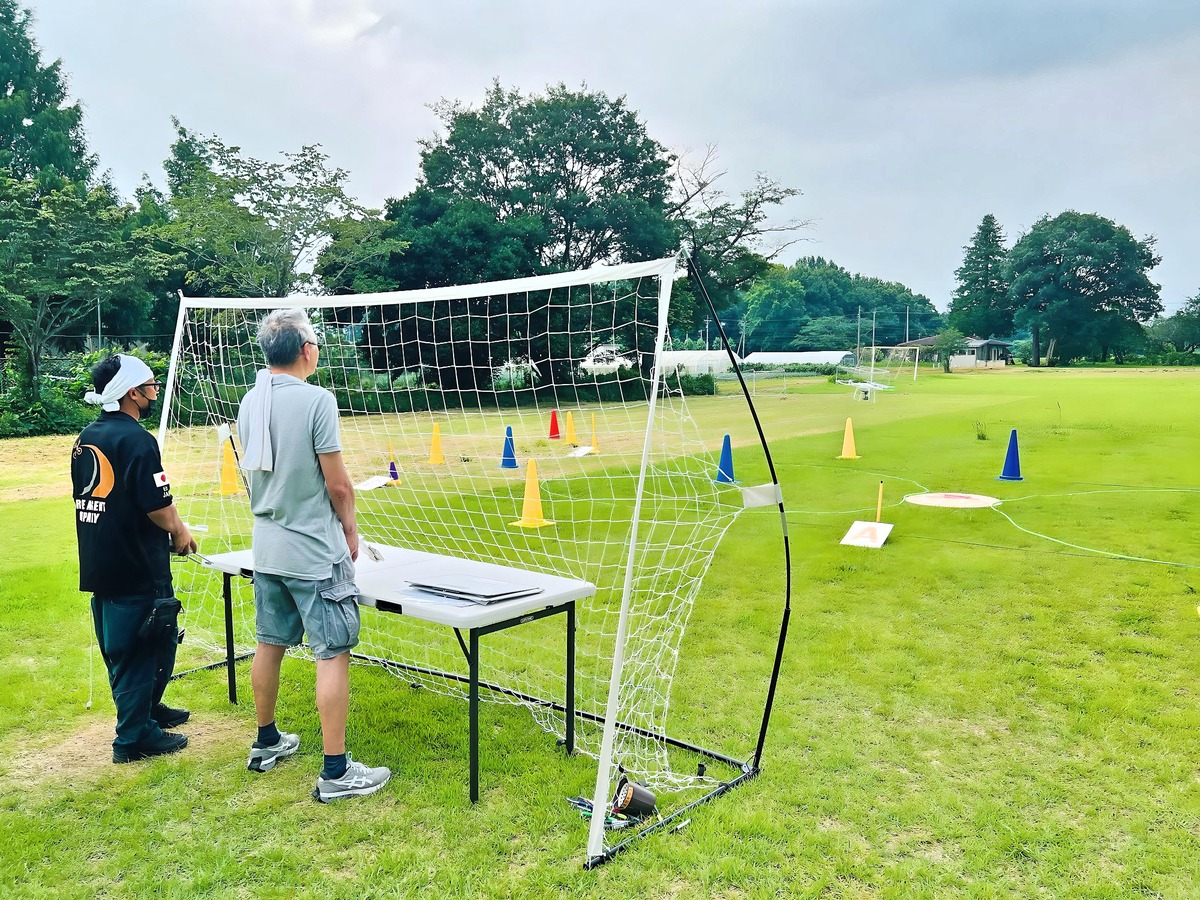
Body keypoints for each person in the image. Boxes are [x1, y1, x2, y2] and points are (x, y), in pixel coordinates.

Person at [236, 308, 391, 802]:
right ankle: (336, 771)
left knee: (270, 643)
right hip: (312, 553)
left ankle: (266, 742)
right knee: (333, 653)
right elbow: (339, 483)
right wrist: (350, 529)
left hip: (268, 549)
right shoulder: (316, 400)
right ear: (306, 350)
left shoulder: (249, 400)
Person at [72, 353, 197, 763]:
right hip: (136, 563)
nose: (155, 390)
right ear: (132, 393)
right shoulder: (139, 440)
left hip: (99, 558)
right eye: (150, 384)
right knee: (143, 644)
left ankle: (145, 710)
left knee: (123, 644)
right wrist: (179, 530)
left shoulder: (88, 436)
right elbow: (157, 507)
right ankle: (132, 738)